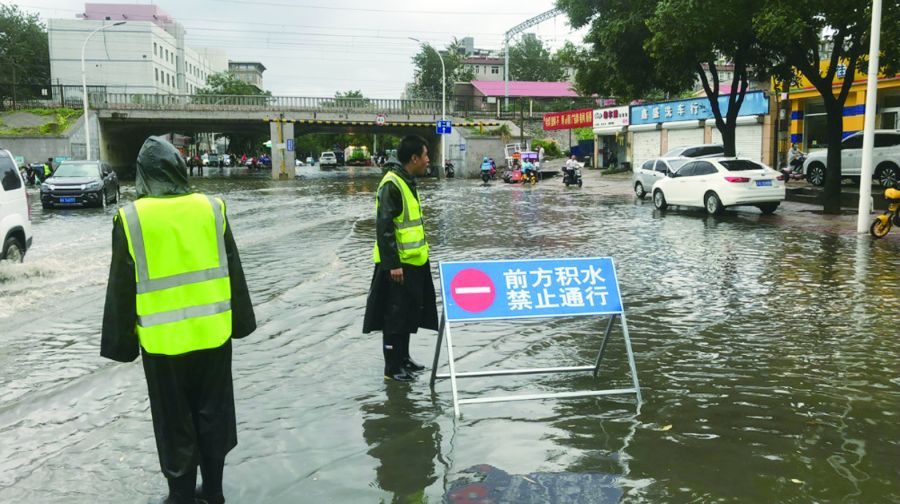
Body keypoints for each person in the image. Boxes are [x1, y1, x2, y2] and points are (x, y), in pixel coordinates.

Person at [101, 136, 256, 504]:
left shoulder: (132, 218)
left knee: (175, 423)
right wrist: (241, 323)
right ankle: (214, 492)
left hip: (163, 343)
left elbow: (121, 287)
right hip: (213, 335)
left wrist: (121, 344)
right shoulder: (212, 208)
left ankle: (182, 495)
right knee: (214, 415)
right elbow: (233, 269)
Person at [362, 135, 438, 382]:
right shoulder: (392, 183)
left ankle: (404, 359)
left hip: (413, 261)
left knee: (407, 313)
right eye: (426, 155)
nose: (428, 160)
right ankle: (392, 369)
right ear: (414, 158)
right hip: (398, 265)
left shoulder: (407, 180)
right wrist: (392, 264)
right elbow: (384, 228)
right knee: (394, 316)